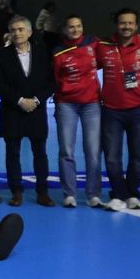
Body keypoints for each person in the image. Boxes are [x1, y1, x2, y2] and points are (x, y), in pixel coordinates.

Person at [0, 15, 55, 207]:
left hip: (36, 109)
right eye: (13, 30)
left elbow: (51, 82)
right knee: (12, 154)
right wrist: (19, 101)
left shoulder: (43, 53)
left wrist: (35, 100)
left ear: (29, 32)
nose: (17, 33)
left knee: (40, 153)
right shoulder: (1, 55)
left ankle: (42, 192)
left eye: (20, 29)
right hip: (12, 110)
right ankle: (16, 192)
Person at [97, 7, 140, 210]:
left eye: (130, 23)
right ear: (117, 25)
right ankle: (118, 194)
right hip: (111, 110)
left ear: (136, 26)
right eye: (122, 22)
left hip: (138, 110)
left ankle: (133, 194)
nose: (126, 26)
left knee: (137, 156)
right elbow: (85, 59)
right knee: (112, 156)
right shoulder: (103, 46)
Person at [51, 14, 103, 208]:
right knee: (66, 150)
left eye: (78, 26)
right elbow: (56, 78)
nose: (75, 30)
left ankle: (94, 193)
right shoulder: (58, 52)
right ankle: (69, 193)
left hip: (92, 104)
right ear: (65, 29)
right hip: (66, 105)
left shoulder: (93, 43)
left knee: (93, 150)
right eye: (71, 27)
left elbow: (114, 49)